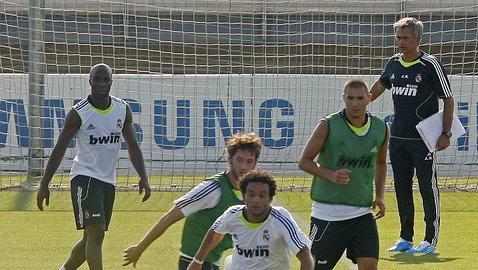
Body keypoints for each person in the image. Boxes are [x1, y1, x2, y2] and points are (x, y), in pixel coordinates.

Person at [36, 63, 151, 270]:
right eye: (96, 79)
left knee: (91, 237)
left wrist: (143, 177)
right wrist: (44, 184)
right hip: (84, 177)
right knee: (96, 233)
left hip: (108, 180)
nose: (100, 83)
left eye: (105, 79)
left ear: (111, 82)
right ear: (90, 81)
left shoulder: (122, 109)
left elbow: (133, 145)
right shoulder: (78, 113)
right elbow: (59, 148)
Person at [369, 17, 454, 254]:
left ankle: (430, 240)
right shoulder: (393, 63)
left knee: (427, 187)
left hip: (424, 139)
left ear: (417, 39)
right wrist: (361, 102)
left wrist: (445, 133)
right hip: (398, 138)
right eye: (398, 38)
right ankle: (405, 237)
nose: (400, 42)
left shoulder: (430, 65)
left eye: (405, 38)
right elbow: (380, 85)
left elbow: (448, 98)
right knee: (402, 187)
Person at [122, 133, 262, 269]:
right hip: (193, 262)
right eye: (239, 160)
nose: (244, 167)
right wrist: (140, 247)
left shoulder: (250, 194)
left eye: (249, 161)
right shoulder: (213, 188)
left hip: (213, 262)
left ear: (255, 163)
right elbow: (170, 216)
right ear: (230, 159)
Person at [299, 78, 388, 270]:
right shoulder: (328, 125)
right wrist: (330, 175)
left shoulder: (381, 127)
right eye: (350, 98)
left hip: (362, 214)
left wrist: (379, 195)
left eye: (359, 98)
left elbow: (381, 162)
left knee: (370, 266)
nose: (354, 103)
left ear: (369, 99)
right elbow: (304, 161)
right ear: (343, 99)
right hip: (328, 213)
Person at [187, 170, 313, 270]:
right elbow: (215, 232)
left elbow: (305, 255)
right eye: (251, 194)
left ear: (270, 198)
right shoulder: (232, 214)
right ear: (243, 195)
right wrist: (197, 261)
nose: (256, 200)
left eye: (262, 195)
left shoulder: (281, 220)